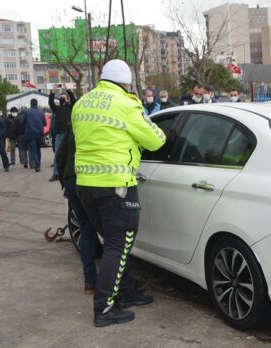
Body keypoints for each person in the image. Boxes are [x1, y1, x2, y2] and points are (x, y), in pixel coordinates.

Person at [73, 59, 165, 327]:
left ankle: (125, 292)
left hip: (85, 185)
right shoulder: (127, 103)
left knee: (115, 244)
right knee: (118, 245)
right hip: (116, 185)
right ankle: (104, 309)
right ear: (126, 82)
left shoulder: (82, 103)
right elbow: (156, 140)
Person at [56, 121, 97, 295]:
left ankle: (90, 282)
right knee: (113, 232)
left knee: (86, 230)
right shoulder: (108, 118)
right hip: (95, 179)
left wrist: (65, 183)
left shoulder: (76, 120)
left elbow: (61, 154)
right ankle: (120, 284)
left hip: (72, 179)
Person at [48, 90, 76, 182]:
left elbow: (74, 101)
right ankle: (56, 174)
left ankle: (70, 173)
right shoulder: (57, 108)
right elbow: (50, 102)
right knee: (57, 154)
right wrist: (52, 94)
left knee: (70, 154)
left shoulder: (70, 107)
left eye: (64, 97)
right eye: (61, 97)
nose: (62, 98)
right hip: (59, 134)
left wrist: (69, 91)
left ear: (67, 99)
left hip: (69, 134)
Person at [23, 99, 46, 172]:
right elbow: (45, 123)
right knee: (38, 149)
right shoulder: (41, 112)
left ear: (30, 104)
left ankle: (37, 164)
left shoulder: (27, 112)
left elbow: (21, 122)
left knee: (33, 150)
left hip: (30, 133)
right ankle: (38, 164)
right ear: (37, 104)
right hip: (40, 133)